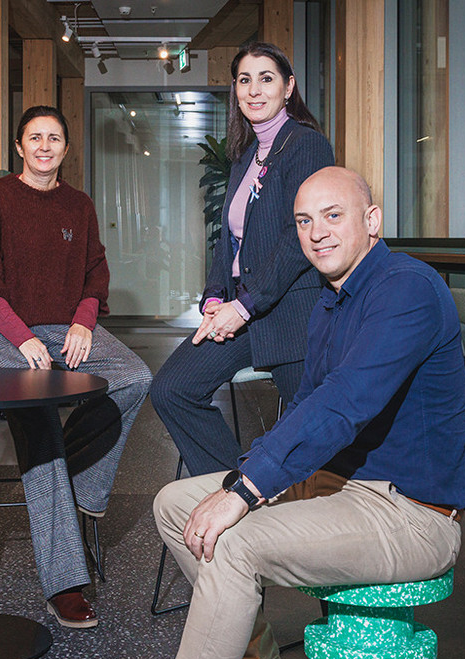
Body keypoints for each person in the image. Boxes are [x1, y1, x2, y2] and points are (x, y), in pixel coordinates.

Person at [48, 167, 465, 659]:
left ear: (372, 220)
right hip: (344, 485)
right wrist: (245, 480)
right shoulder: (333, 299)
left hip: (409, 511)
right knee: (176, 504)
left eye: (332, 215)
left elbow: (345, 403)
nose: (316, 232)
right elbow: (306, 404)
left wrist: (245, 493)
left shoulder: (406, 289)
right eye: (303, 221)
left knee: (234, 545)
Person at [0, 105, 152, 629]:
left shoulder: (78, 205)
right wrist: (21, 337)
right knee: (39, 418)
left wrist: (84, 324)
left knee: (135, 376)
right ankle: (65, 583)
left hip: (62, 328)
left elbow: (94, 274)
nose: (44, 146)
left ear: (66, 148)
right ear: (19, 146)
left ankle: (77, 482)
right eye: (35, 137)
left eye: (54, 138)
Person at [150, 41, 335, 477]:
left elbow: (299, 238)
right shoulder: (245, 155)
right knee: (172, 389)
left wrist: (245, 305)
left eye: (266, 79)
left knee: (312, 440)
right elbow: (229, 241)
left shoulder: (306, 145)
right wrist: (216, 297)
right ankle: (234, 490)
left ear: (288, 87)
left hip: (291, 313)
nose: (254, 90)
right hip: (244, 308)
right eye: (244, 80)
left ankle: (304, 510)